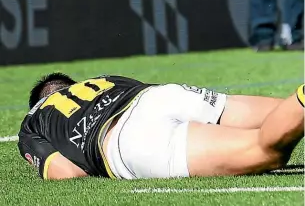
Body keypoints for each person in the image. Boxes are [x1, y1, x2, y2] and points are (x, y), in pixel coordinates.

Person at [19, 72, 304, 181]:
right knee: (284, 112)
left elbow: (68, 174)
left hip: (128, 139)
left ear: (38, 102)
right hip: (160, 95)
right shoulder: (104, 79)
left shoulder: (33, 121)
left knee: (265, 152)